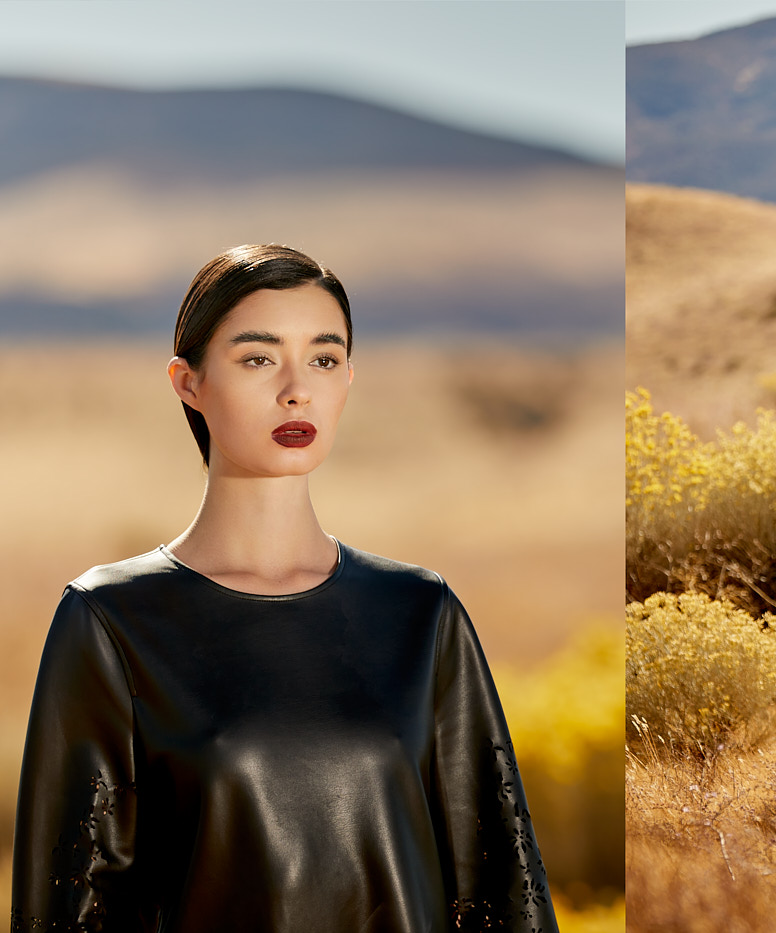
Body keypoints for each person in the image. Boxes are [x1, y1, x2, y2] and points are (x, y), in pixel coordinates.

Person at [11, 245, 558, 931]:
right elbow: (68, 909)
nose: (297, 389)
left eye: (324, 359)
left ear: (348, 379)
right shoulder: (111, 620)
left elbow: (501, 890)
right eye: (258, 358)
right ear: (188, 382)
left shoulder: (421, 613)